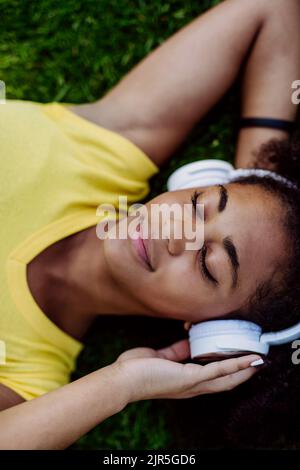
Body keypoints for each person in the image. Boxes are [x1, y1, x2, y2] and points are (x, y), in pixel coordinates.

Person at [0, 0, 299, 449]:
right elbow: (272, 9)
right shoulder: (103, 152)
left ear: (205, 329)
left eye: (208, 265)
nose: (180, 232)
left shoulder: (26, 383)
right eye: (200, 203)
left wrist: (123, 384)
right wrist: (255, 182)